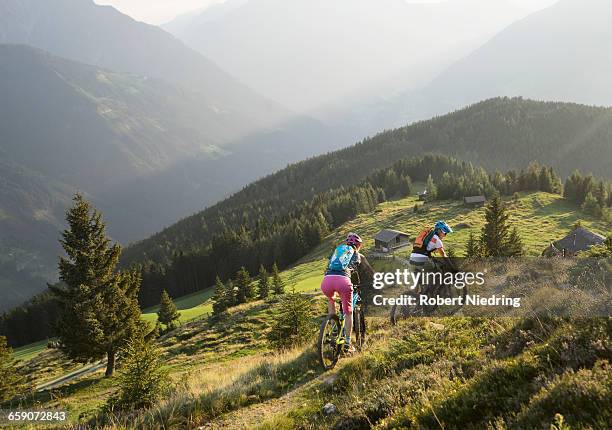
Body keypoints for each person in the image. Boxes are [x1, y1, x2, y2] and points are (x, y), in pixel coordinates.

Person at [320, 232, 373, 354]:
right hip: (343, 281)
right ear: (358, 245)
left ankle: (333, 325)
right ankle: (348, 344)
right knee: (348, 313)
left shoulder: (338, 252)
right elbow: (368, 272)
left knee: (331, 299)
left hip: (326, 281)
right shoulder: (358, 255)